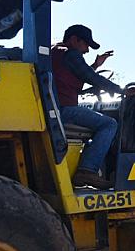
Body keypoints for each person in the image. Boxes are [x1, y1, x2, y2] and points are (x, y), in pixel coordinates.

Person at [52, 24, 130, 189]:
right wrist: (123, 91)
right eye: (86, 44)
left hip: (54, 109)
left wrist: (95, 65)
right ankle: (87, 170)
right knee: (109, 124)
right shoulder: (71, 54)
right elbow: (92, 78)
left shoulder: (54, 52)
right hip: (64, 110)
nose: (87, 50)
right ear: (74, 39)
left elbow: (78, 76)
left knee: (95, 121)